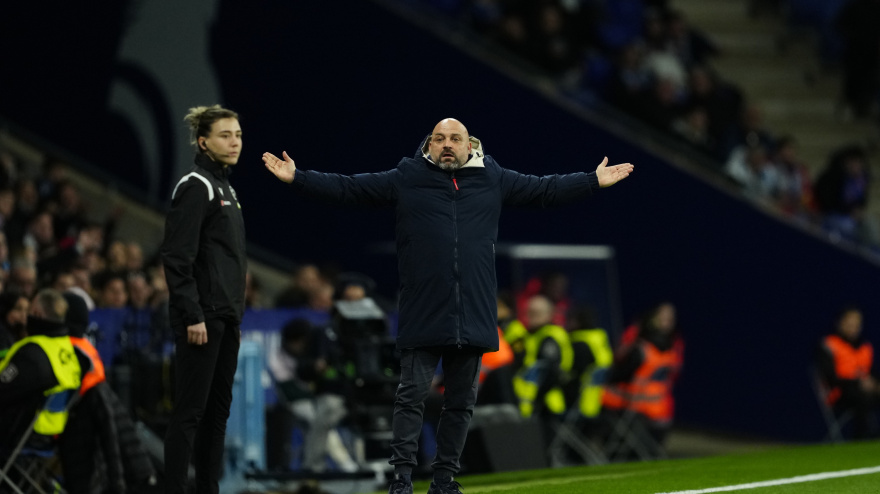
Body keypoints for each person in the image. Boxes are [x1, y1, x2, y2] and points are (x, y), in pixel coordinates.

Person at [263, 117, 633, 494]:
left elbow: (545, 190)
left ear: (469, 145)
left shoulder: (493, 176)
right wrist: (299, 177)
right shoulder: (407, 176)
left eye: (454, 138)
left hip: (472, 311)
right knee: (411, 398)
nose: (446, 144)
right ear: (428, 147)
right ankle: (402, 481)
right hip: (423, 310)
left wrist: (591, 181)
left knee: (460, 404)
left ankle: (444, 481)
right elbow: (350, 189)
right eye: (438, 138)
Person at [161, 104, 246, 494]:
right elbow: (178, 257)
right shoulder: (197, 185)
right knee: (190, 414)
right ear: (203, 141)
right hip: (202, 318)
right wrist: (192, 313)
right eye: (225, 135)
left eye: (239, 134)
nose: (234, 142)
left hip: (226, 317)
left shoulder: (226, 187)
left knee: (217, 416)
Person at [602, 302, 683, 457]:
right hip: (661, 408)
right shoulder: (672, 348)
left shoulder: (642, 348)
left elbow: (619, 373)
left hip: (637, 407)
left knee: (601, 398)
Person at [816, 306, 879, 439]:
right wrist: (857, 383)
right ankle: (863, 437)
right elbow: (829, 378)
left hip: (866, 391)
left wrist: (875, 383)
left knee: (869, 391)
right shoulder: (828, 344)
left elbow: (872, 372)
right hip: (839, 393)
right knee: (862, 395)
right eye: (849, 323)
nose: (853, 327)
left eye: (856, 324)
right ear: (840, 322)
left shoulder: (865, 347)